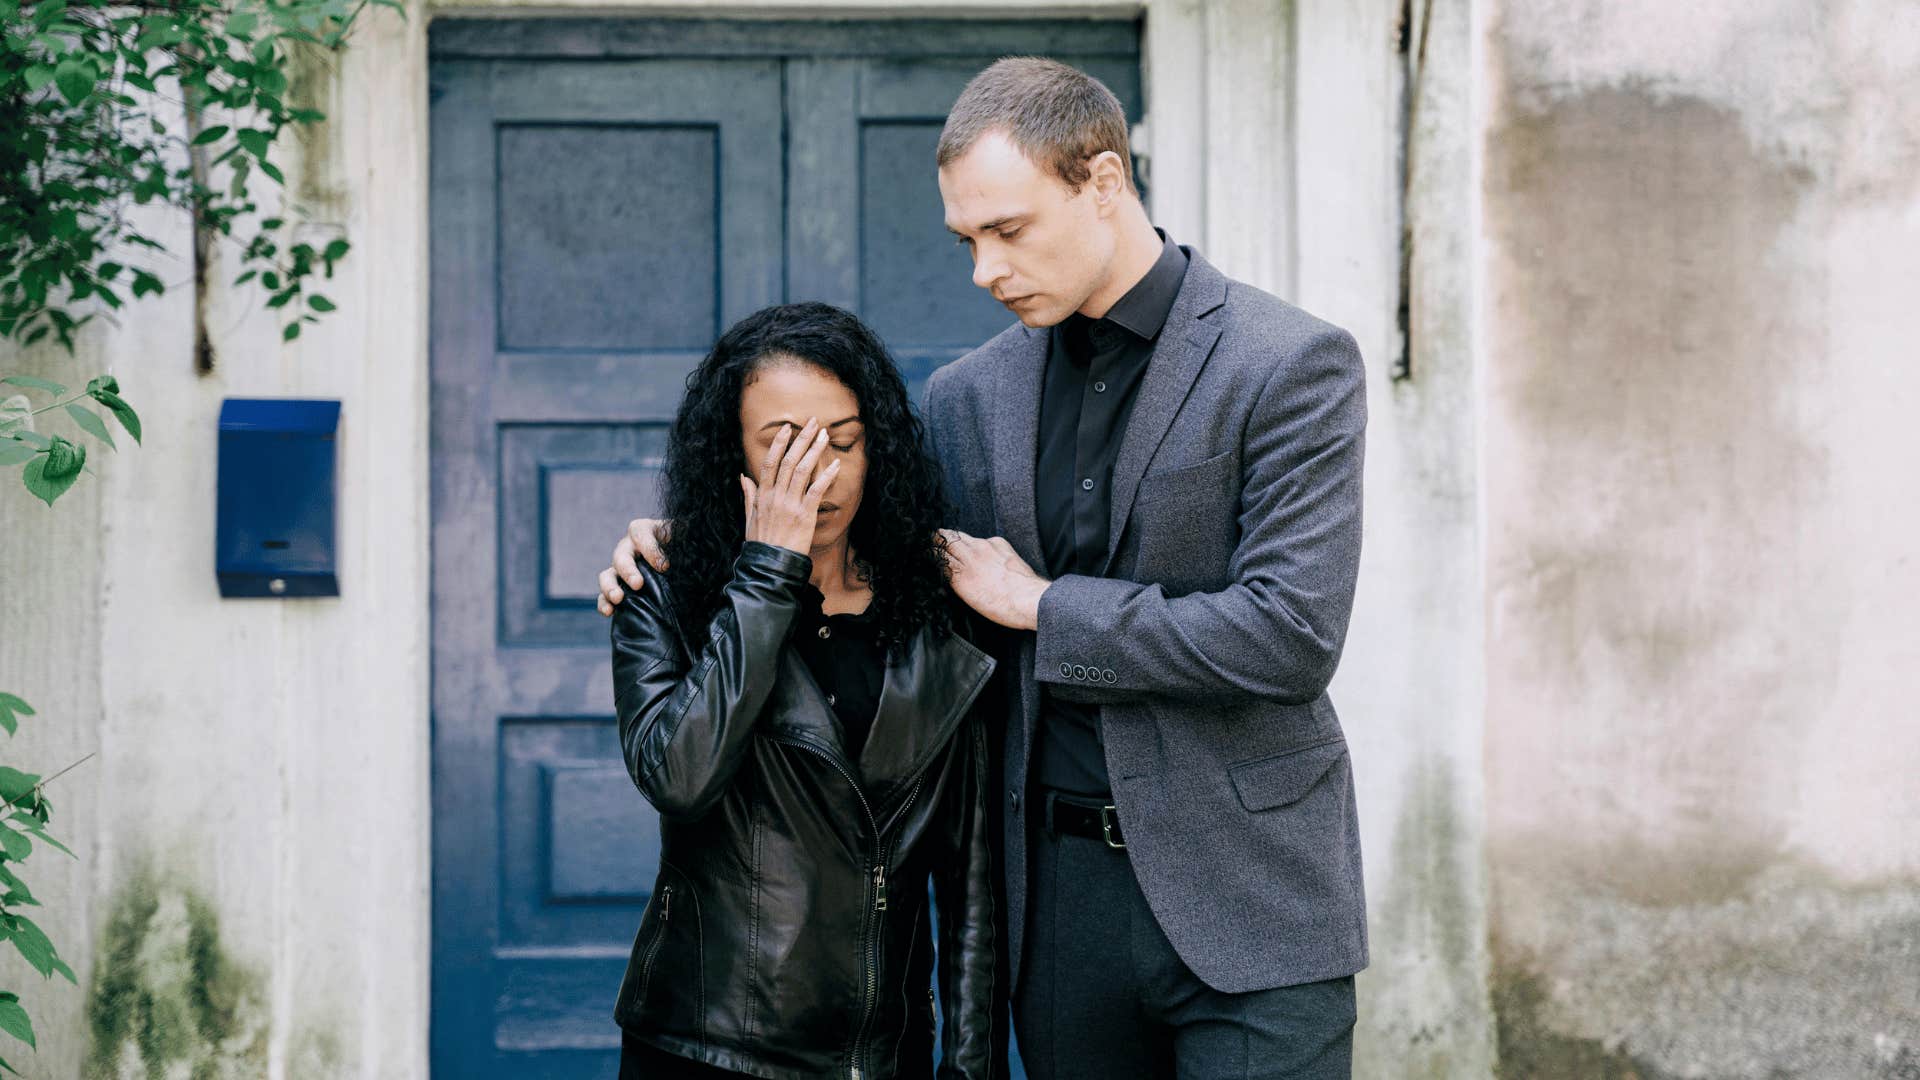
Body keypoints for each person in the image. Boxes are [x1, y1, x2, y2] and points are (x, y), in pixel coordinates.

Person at [602, 57, 1367, 1080]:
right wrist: (684, 531)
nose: (984, 270)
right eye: (967, 239)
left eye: (1007, 230)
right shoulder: (966, 397)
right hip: (1050, 906)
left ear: (1103, 182)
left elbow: (1291, 634)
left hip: (1251, 897)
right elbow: (856, 523)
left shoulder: (1289, 362)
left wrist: (1047, 607)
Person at [607, 301, 1006, 1080]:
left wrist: (969, 1065)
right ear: (733, 452)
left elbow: (972, 885)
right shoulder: (666, 589)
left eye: (843, 443)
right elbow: (678, 777)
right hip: (703, 1042)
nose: (815, 474)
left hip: (879, 1053)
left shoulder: (940, 608)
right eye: (781, 445)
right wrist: (766, 574)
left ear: (878, 448)